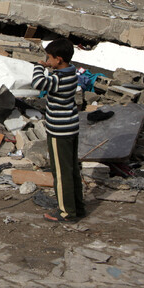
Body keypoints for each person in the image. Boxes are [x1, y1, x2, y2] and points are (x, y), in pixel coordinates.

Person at [31, 37, 85, 223]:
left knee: (61, 173)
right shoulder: (71, 73)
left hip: (59, 131)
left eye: (50, 57)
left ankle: (66, 212)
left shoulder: (58, 79)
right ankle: (77, 206)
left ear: (58, 59)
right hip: (71, 128)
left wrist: (40, 66)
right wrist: (49, 66)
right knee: (72, 170)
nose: (48, 60)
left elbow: (38, 83)